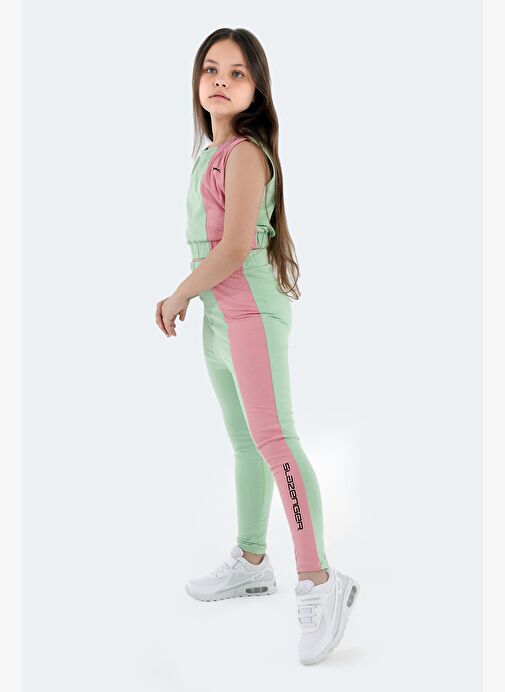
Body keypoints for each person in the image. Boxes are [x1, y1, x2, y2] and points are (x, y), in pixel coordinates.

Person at [155, 27, 359, 665]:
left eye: (236, 73)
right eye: (210, 69)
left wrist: (178, 294)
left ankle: (320, 580)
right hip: (221, 315)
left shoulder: (245, 154)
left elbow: (236, 247)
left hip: (248, 311)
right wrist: (197, 299)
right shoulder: (207, 154)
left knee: (275, 440)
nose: (220, 80)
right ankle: (251, 561)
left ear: (256, 89)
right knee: (245, 441)